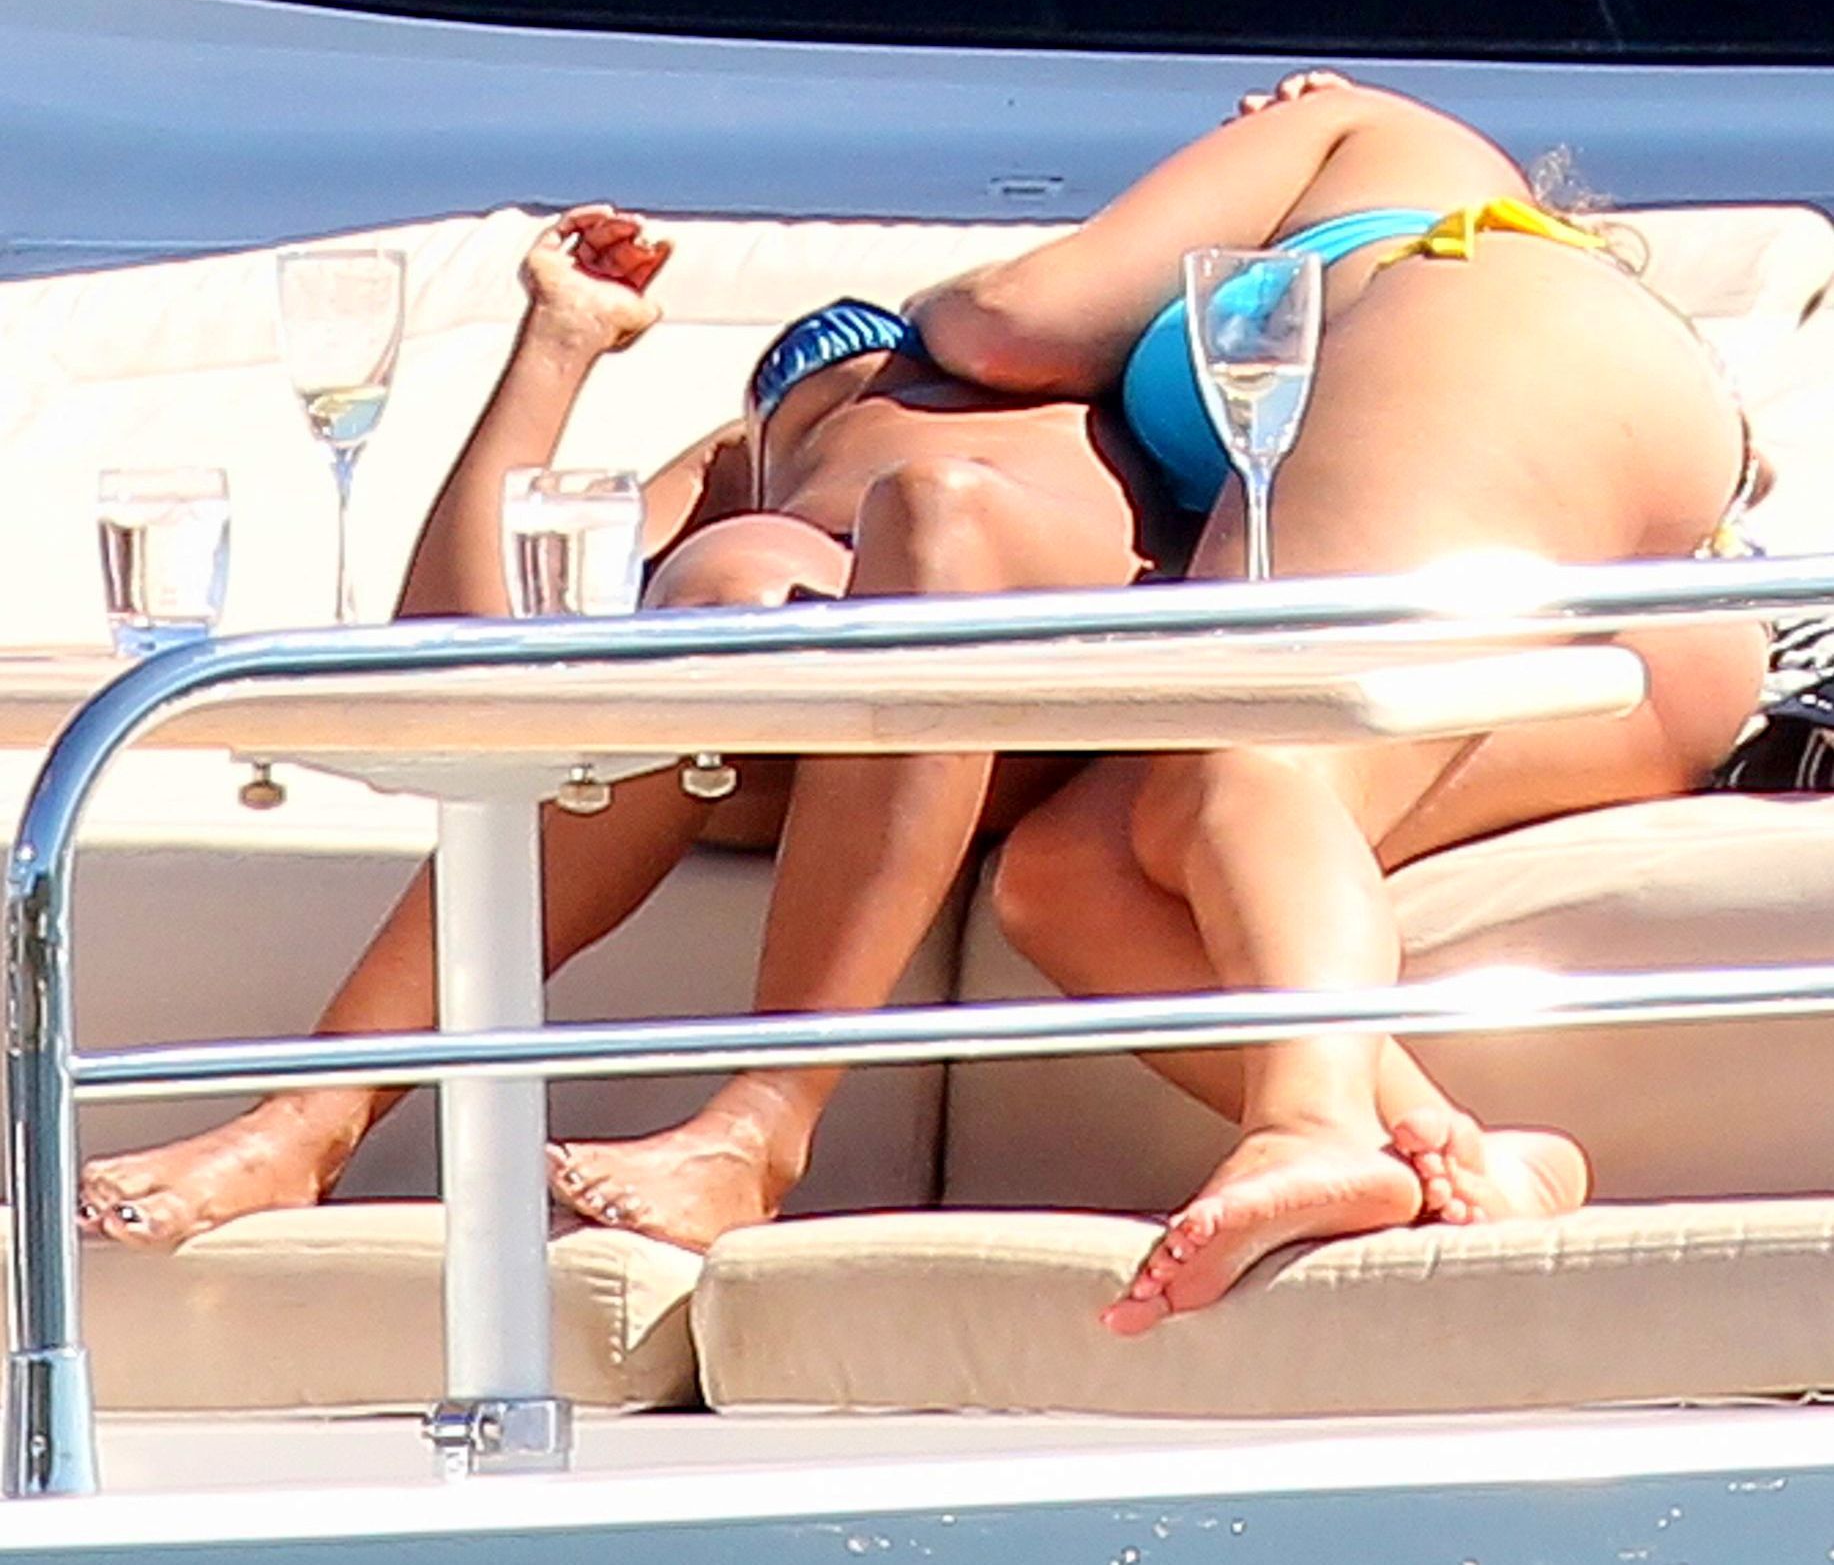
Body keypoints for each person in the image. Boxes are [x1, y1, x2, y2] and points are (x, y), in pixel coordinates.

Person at [75, 198, 1167, 1249]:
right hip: (808, 682)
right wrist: (558, 344)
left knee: (915, 511)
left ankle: (762, 1124)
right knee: (723, 591)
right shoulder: (738, 469)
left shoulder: (1064, 343)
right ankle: (309, 1116)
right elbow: (458, 650)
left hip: (1021, 660)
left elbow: (1052, 323)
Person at [907, 70, 1767, 1332]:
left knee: (1261, 735)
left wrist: (902, 319)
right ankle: (1452, 1146)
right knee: (1069, 873)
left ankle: (1307, 1119)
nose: (1245, 106)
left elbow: (1010, 317)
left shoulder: (1356, 125)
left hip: (1499, 346)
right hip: (1671, 627)